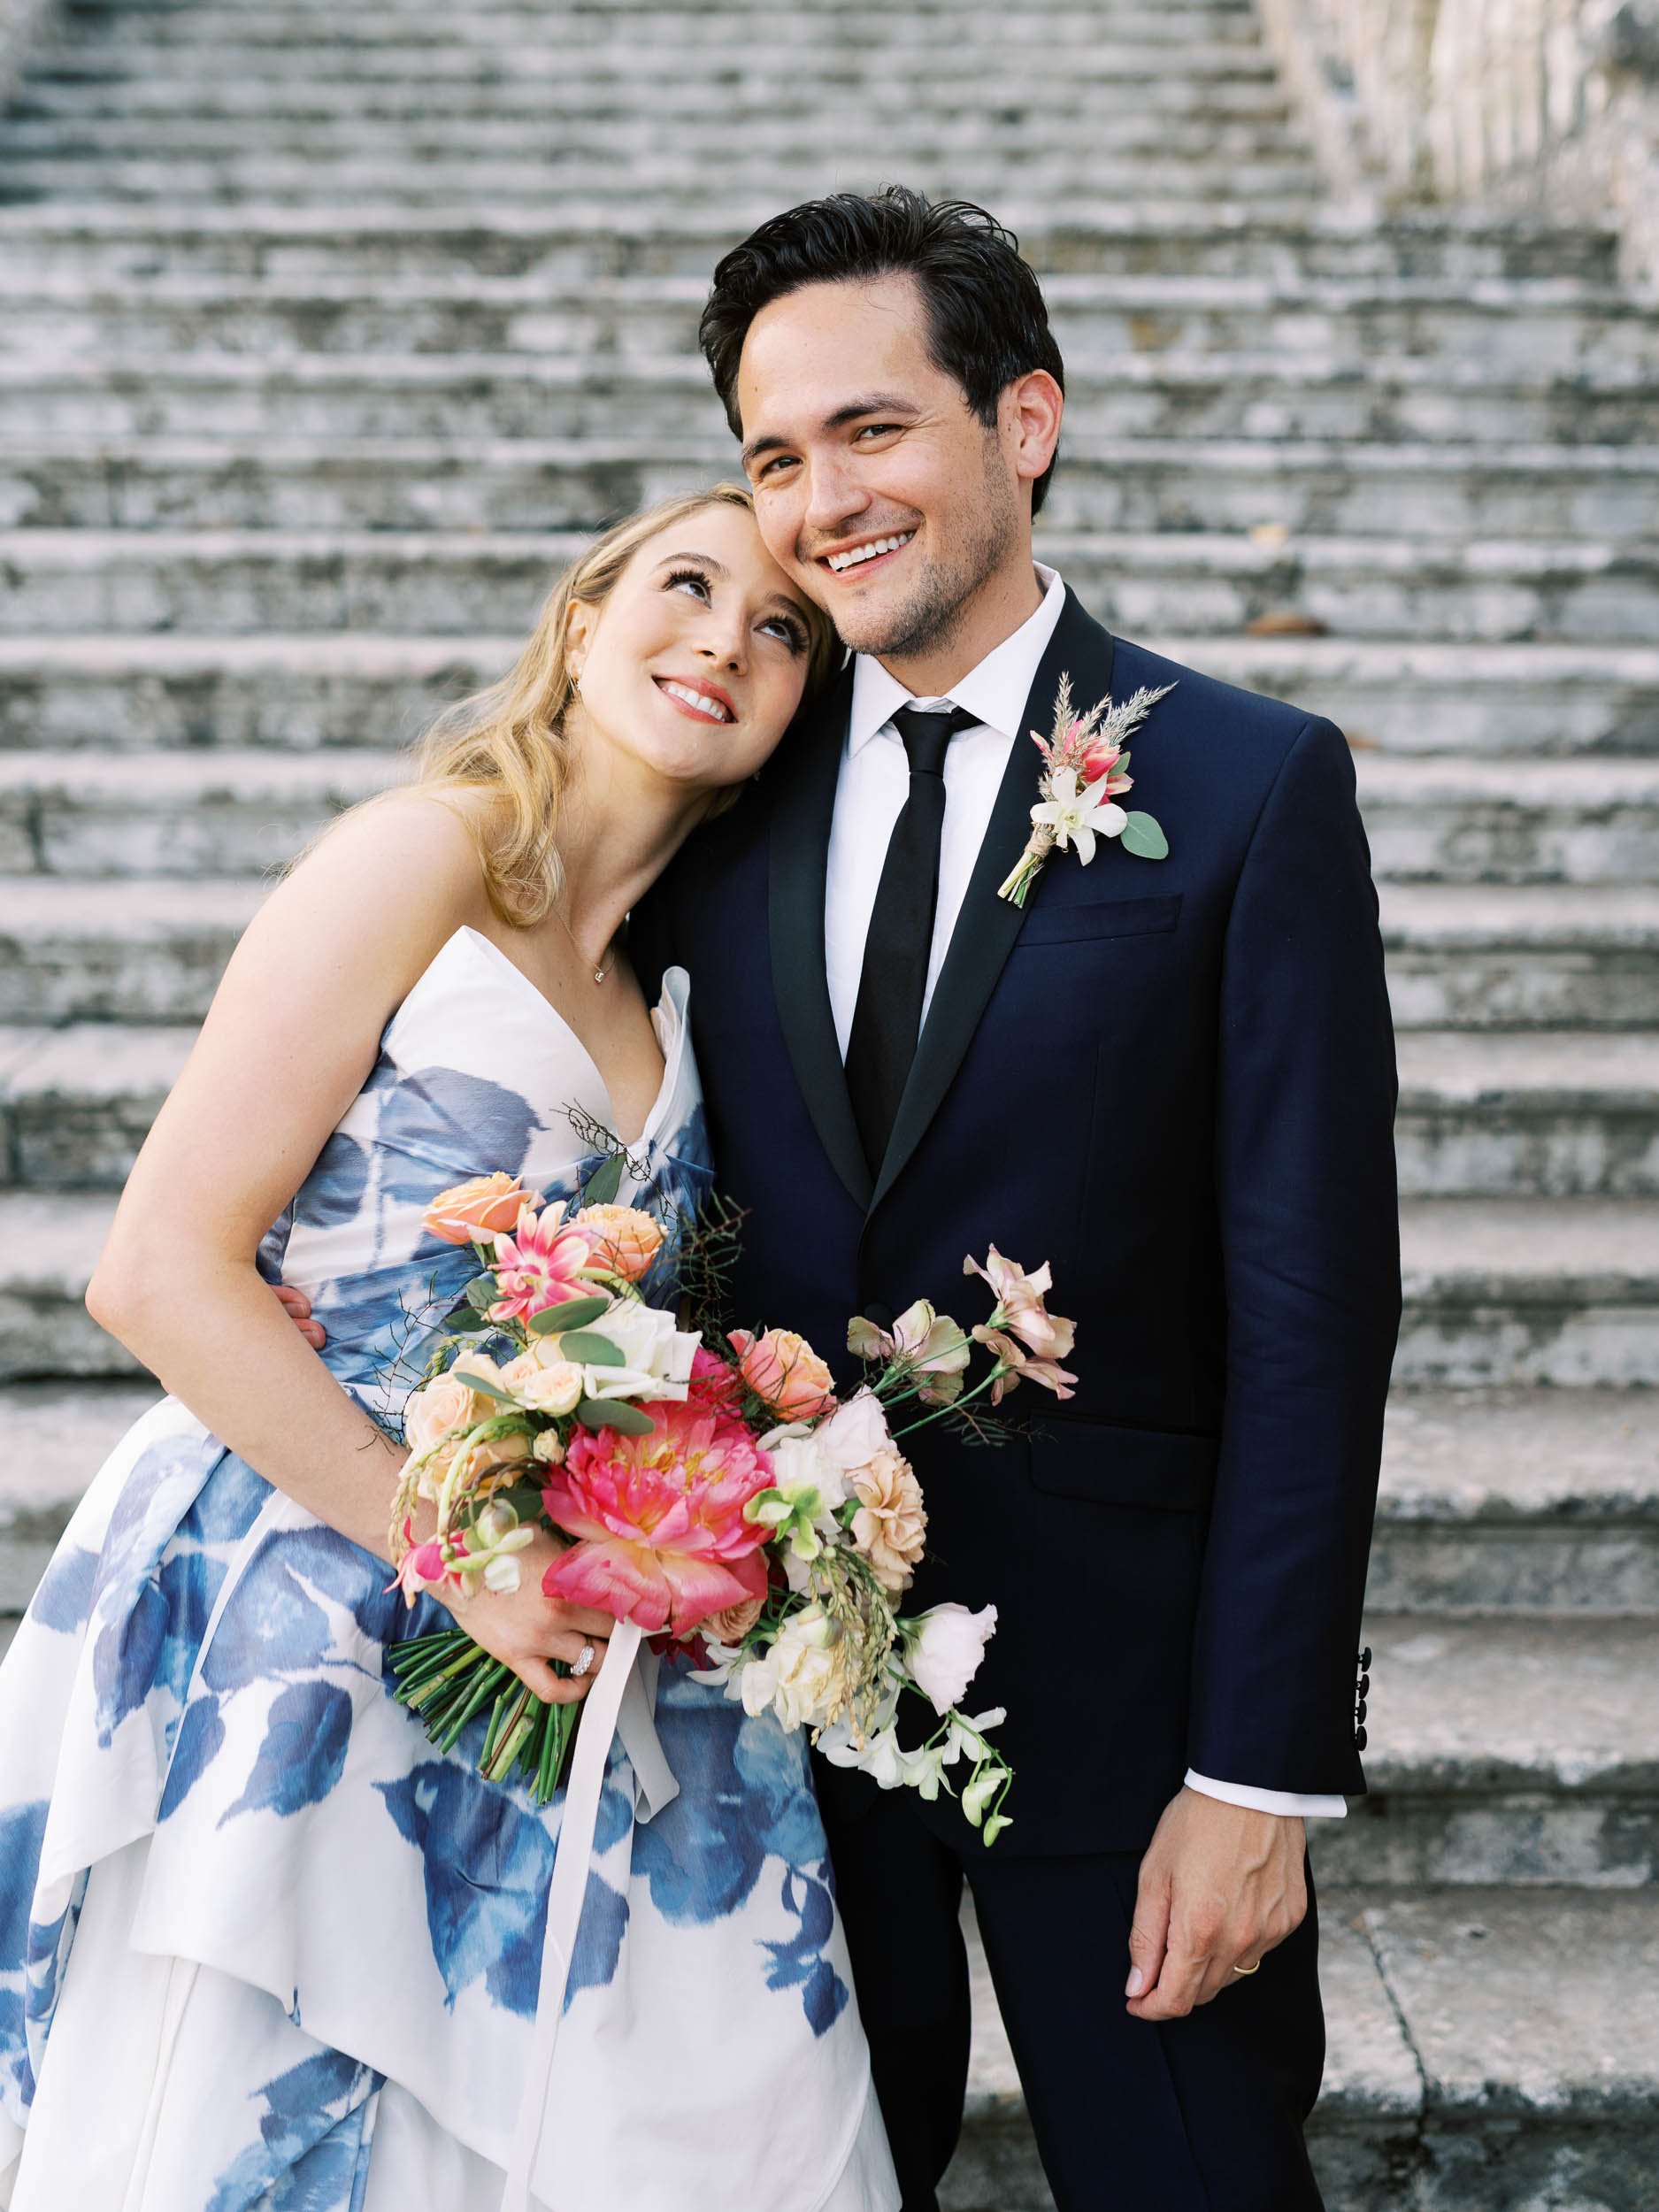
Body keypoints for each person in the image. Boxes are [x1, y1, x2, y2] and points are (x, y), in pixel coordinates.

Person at [628, 188, 1402, 2211]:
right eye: (772, 457)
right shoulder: (709, 811)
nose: (817, 500)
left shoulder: (1246, 787)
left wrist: (1256, 1771)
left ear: (1023, 420)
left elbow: (1314, 1310)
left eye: (869, 429)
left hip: (1131, 1730)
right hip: (771, 1728)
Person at [0, 488, 902, 2212]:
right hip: (313, 1562)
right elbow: (158, 1266)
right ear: (581, 620)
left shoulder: (680, 991)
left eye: (780, 626)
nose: (724, 636)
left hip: (567, 1629)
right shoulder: (425, 852)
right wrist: (454, 1541)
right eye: (687, 585)